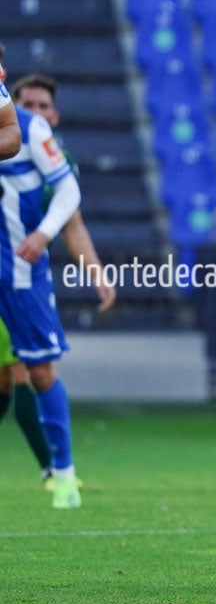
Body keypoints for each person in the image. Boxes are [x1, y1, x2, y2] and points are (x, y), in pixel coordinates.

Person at [4, 71, 115, 490]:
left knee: (24, 372)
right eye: (27, 105)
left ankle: (56, 471)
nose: (35, 112)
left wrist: (96, 271)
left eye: (42, 106)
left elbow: (73, 224)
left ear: (56, 114)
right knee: (15, 374)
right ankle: (53, 470)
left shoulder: (56, 163)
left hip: (19, 274)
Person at [0, 53, 84, 508]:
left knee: (38, 371)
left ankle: (64, 474)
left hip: (19, 268)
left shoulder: (31, 130)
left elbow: (69, 190)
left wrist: (42, 233)